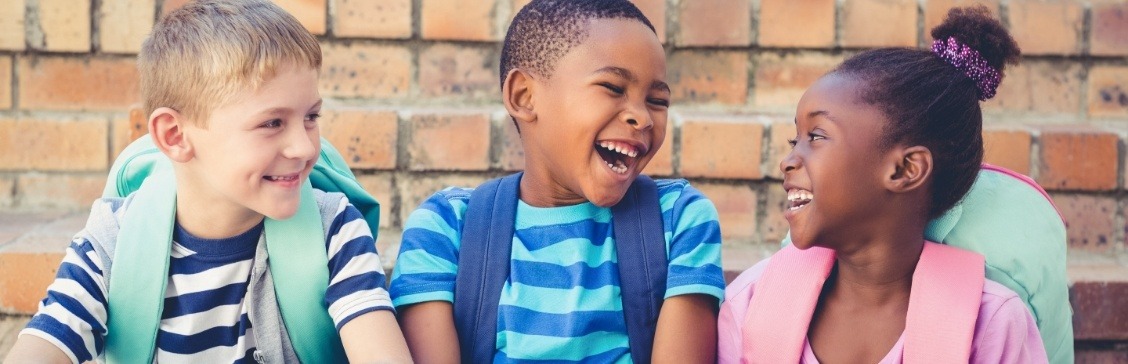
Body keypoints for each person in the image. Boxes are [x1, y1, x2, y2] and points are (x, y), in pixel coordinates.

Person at [3, 1, 410, 362]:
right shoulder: (113, 243)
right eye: (272, 122)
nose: (304, 147)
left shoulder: (334, 229)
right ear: (175, 136)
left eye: (311, 117)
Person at [388, 0, 725, 362]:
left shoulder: (678, 220)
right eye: (613, 87)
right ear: (524, 96)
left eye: (657, 100)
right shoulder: (446, 228)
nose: (641, 117)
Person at [717, 6, 1048, 363]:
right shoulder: (751, 304)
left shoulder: (991, 325)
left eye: (815, 136)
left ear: (906, 169)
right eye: (793, 141)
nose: (788, 161)